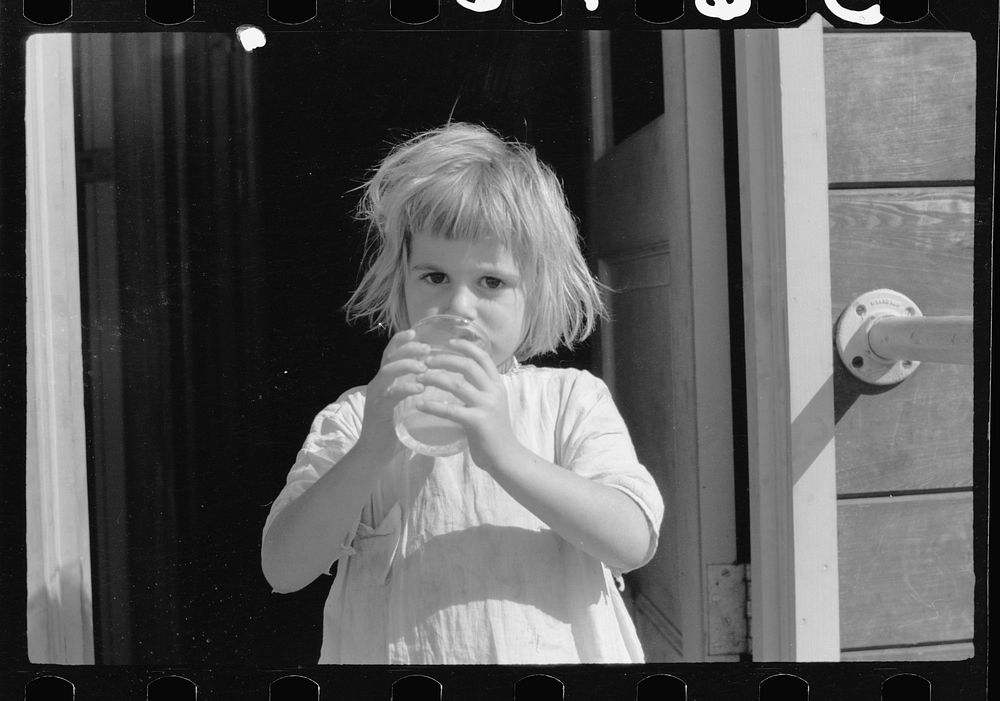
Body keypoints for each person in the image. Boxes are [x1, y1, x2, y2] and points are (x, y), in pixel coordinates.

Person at [260, 122, 664, 664]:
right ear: (400, 281)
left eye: (491, 283)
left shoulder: (568, 400)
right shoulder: (359, 415)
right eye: (434, 277)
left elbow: (631, 542)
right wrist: (372, 449)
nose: (459, 307)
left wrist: (505, 454)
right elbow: (283, 569)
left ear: (535, 293)